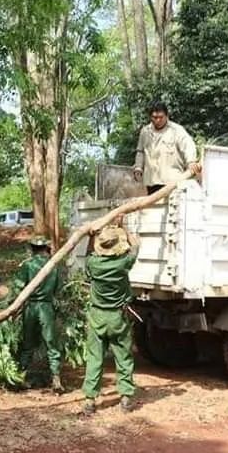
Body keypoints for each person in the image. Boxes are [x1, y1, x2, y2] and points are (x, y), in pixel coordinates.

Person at [81, 223, 140, 415]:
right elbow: (135, 246)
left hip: (97, 316)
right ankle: (126, 398)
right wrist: (125, 229)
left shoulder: (94, 264)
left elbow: (88, 255)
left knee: (95, 358)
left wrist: (91, 236)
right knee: (123, 357)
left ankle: (90, 400)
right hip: (118, 317)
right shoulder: (123, 263)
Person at [14, 237, 65, 394]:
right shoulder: (53, 267)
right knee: (51, 343)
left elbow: (18, 287)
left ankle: (21, 376)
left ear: (32, 249)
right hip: (46, 308)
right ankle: (56, 378)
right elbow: (59, 290)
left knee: (27, 343)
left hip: (30, 308)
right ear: (45, 249)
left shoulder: (27, 265)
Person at [133, 101, 200, 195]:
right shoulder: (145, 132)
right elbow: (140, 151)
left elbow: (188, 145)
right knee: (154, 207)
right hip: (152, 181)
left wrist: (191, 161)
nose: (158, 120)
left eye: (161, 117)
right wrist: (138, 167)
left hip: (172, 180)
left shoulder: (177, 130)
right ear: (150, 117)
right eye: (155, 117)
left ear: (167, 116)